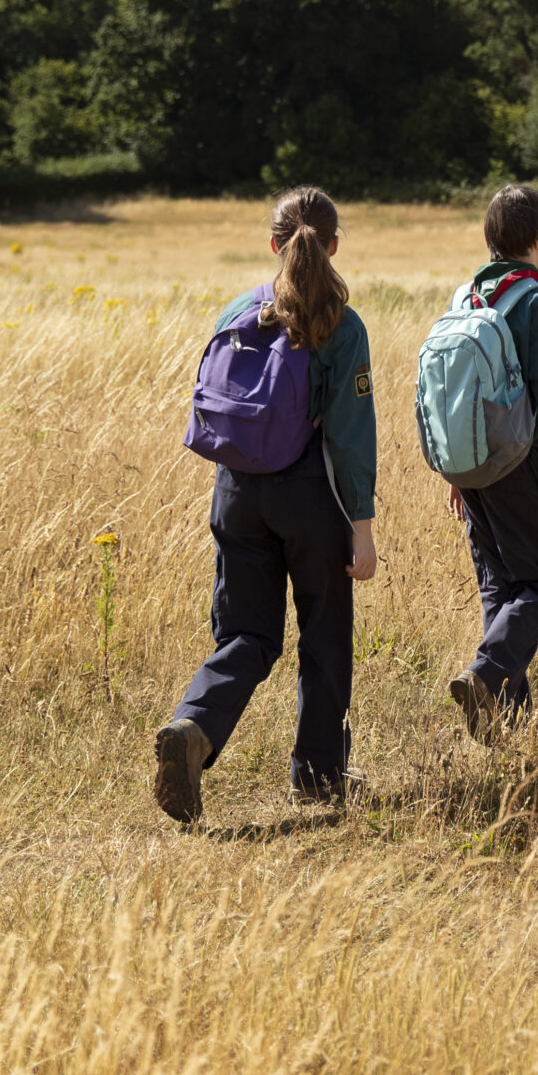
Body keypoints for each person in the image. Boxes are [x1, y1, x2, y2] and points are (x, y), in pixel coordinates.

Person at [156, 187, 378, 823]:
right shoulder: (342, 324)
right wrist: (362, 529)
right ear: (332, 247)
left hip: (236, 495)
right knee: (324, 638)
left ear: (273, 245)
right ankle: (317, 778)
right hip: (312, 500)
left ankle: (194, 726)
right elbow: (350, 437)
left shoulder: (238, 307)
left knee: (249, 634)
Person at [446, 184, 538, 743]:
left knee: (499, 582)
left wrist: (457, 472)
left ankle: (505, 717)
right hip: (520, 461)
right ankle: (487, 672)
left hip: (469, 464)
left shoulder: (465, 298)